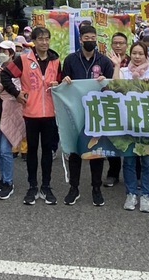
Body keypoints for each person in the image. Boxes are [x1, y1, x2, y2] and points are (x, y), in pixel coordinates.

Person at [0, 26, 61, 206]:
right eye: (40, 39)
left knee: (48, 152)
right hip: (30, 113)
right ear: (34, 41)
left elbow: (62, 82)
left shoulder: (56, 61)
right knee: (32, 151)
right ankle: (32, 186)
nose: (44, 42)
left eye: (47, 39)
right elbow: (5, 75)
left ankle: (46, 186)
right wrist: (16, 93)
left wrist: (59, 83)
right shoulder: (23, 60)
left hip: (50, 113)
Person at [61, 25, 114, 206]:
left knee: (96, 152)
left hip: (97, 113)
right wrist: (65, 81)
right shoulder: (70, 60)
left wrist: (105, 82)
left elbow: (112, 87)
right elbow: (62, 85)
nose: (90, 40)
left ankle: (96, 189)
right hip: (76, 112)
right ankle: (73, 188)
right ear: (81, 39)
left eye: (93, 37)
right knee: (75, 151)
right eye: (87, 37)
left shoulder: (105, 61)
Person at [110, 41, 149, 213]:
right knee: (129, 160)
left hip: (147, 124)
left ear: (146, 55)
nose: (137, 57)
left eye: (140, 53)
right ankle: (131, 193)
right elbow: (116, 86)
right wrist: (116, 65)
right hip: (127, 123)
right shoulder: (123, 71)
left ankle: (145, 195)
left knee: (148, 161)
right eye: (134, 53)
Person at [0, 40, 25, 200]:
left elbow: (20, 90)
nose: (1, 53)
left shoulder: (17, 68)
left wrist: (4, 89)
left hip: (11, 112)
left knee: (5, 150)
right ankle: (3, 179)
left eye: (4, 50)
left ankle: (9, 183)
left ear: (11, 53)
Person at [103, 32, 130, 188]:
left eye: (121, 43)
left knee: (131, 139)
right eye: (115, 43)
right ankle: (113, 173)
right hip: (112, 106)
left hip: (130, 106)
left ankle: (133, 174)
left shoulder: (134, 60)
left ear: (127, 45)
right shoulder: (105, 62)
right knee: (113, 140)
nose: (118, 45)